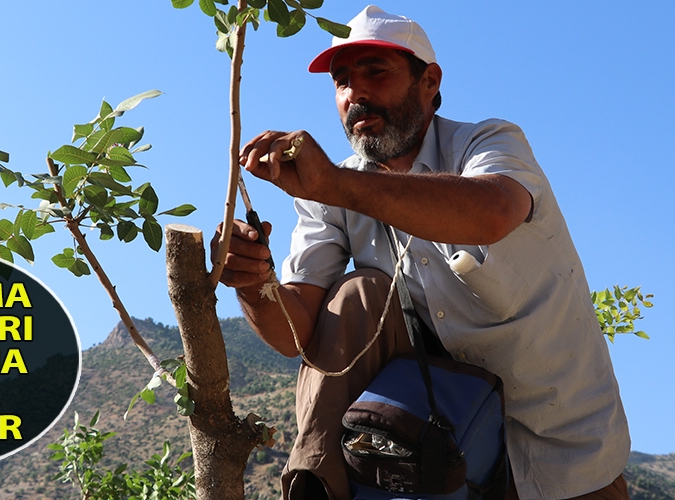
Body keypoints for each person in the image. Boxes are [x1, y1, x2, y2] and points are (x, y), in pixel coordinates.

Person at [213, 6, 630, 500]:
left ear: (429, 81)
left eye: (376, 71)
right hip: (432, 442)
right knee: (357, 294)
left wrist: (339, 185)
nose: (355, 93)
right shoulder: (328, 192)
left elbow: (493, 212)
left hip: (559, 440)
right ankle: (316, 487)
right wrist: (254, 284)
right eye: (342, 80)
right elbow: (294, 333)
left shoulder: (490, 141)